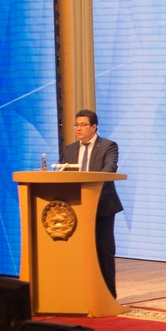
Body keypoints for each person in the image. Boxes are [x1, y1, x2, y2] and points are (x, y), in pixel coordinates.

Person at [60, 109, 123, 297]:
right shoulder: (69, 149)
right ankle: (79, 293)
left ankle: (108, 296)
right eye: (76, 125)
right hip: (76, 207)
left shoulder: (108, 146)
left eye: (83, 125)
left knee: (104, 251)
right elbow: (61, 174)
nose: (78, 129)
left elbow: (109, 169)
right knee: (78, 252)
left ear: (94, 127)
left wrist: (87, 183)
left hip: (102, 205)